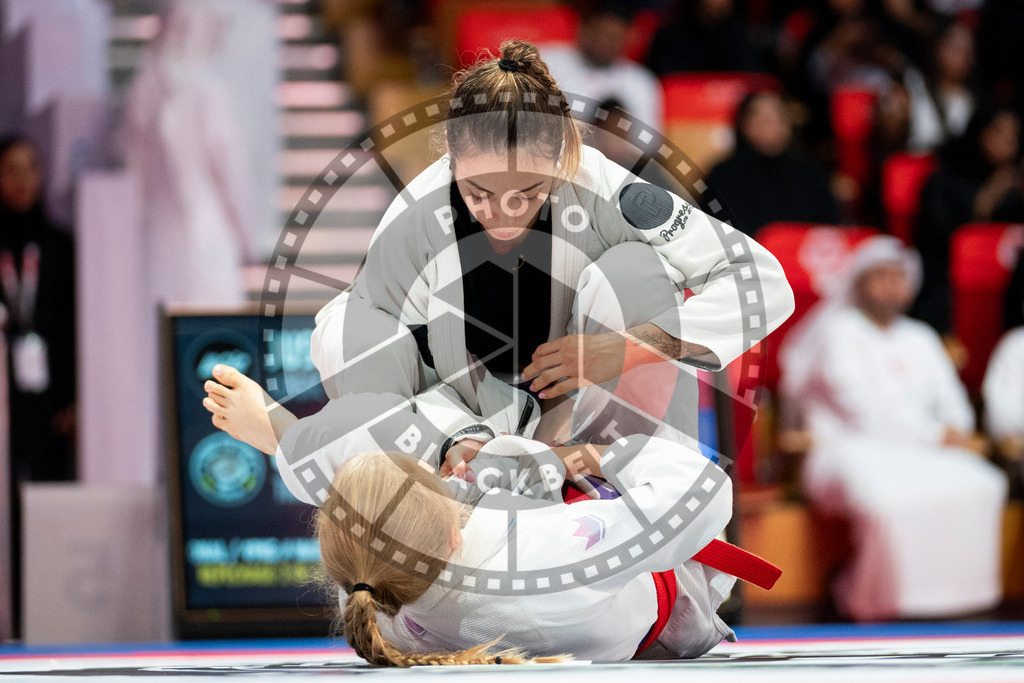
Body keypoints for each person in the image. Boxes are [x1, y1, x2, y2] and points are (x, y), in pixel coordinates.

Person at [208, 39, 795, 465]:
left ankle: (645, 499)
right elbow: (369, 355)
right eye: (480, 193)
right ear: (453, 161)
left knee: (635, 270)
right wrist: (451, 440)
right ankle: (364, 463)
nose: (503, 214)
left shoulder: (609, 190)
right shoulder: (416, 215)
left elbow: (764, 283)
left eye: (529, 195)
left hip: (597, 418)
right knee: (345, 327)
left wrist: (628, 349)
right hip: (462, 418)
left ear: (563, 160)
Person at [206, 365, 739, 665]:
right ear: (455, 533)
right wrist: (589, 456)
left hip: (518, 581)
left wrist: (285, 438)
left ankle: (286, 441)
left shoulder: (375, 593)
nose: (449, 480)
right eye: (443, 487)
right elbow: (703, 495)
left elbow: (359, 515)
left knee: (392, 438)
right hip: (673, 596)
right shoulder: (551, 553)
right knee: (643, 354)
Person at [779, 236, 1008, 621]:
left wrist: (954, 429)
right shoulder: (837, 332)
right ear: (858, 282)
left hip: (923, 449)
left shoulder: (920, 336)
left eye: (898, 276)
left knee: (984, 483)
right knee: (888, 499)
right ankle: (866, 600)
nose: (891, 285)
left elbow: (953, 403)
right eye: (880, 276)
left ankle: (956, 602)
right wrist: (936, 436)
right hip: (847, 447)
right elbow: (864, 412)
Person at [0, 137, 76, 482]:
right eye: (12, 170)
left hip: (51, 398)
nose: (22, 179)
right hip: (5, 391)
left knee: (50, 489)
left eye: (31, 168)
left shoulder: (59, 246)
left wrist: (73, 398)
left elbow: (72, 327)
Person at [913, 106, 1021, 333]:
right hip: (950, 288)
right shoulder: (943, 183)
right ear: (979, 133)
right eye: (999, 132)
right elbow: (940, 245)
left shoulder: (1016, 185)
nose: (1010, 142)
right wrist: (986, 202)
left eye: (1015, 135)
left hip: (1007, 290)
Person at [706, 90, 842, 236]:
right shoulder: (723, 175)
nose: (776, 127)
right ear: (744, 125)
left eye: (781, 119)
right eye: (766, 120)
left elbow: (830, 225)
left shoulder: (808, 170)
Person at [539, 1, 662, 131]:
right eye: (601, 33)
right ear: (583, 28)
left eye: (613, 38)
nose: (605, 43)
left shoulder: (641, 81)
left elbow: (647, 146)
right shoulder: (545, 61)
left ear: (628, 38)